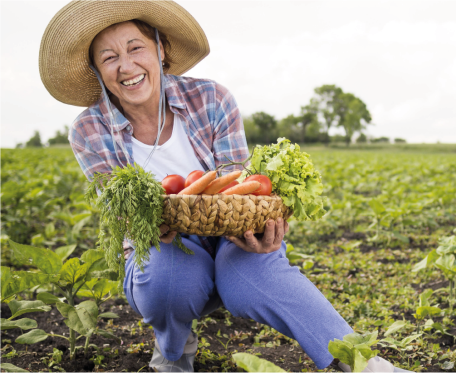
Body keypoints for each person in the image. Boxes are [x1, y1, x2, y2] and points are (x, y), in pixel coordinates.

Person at [39, 1, 410, 372]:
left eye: (135, 48)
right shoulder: (89, 130)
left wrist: (265, 234)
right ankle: (174, 351)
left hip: (228, 237)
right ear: (98, 71)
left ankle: (363, 364)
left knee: (256, 275)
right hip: (161, 247)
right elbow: (122, 214)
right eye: (108, 57)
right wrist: (152, 223)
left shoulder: (211, 99)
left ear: (160, 48)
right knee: (167, 279)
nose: (126, 66)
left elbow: (244, 191)